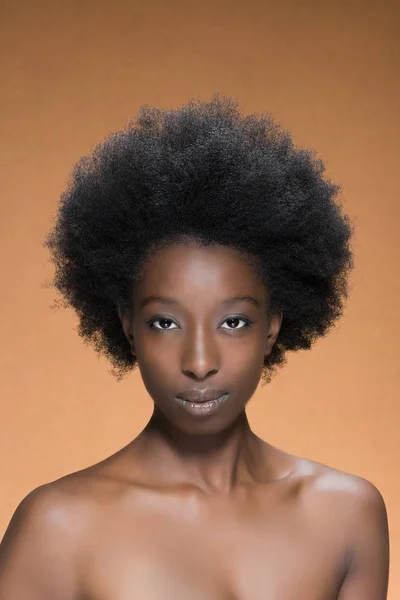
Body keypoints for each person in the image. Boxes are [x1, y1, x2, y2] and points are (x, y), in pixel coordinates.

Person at [0, 96, 389, 599]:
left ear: (272, 327)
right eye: (165, 322)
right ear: (128, 328)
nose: (200, 362)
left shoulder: (347, 515)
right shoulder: (59, 527)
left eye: (233, 321)